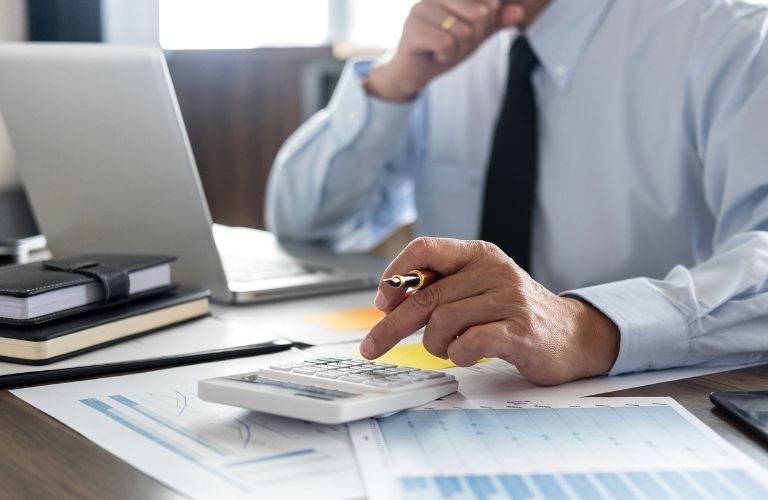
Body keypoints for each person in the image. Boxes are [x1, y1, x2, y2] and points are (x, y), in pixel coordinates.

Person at [266, 0, 768, 385]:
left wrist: (587, 327)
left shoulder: (732, 36)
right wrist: (392, 85)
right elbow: (303, 226)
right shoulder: (444, 41)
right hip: (453, 389)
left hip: (656, 398)